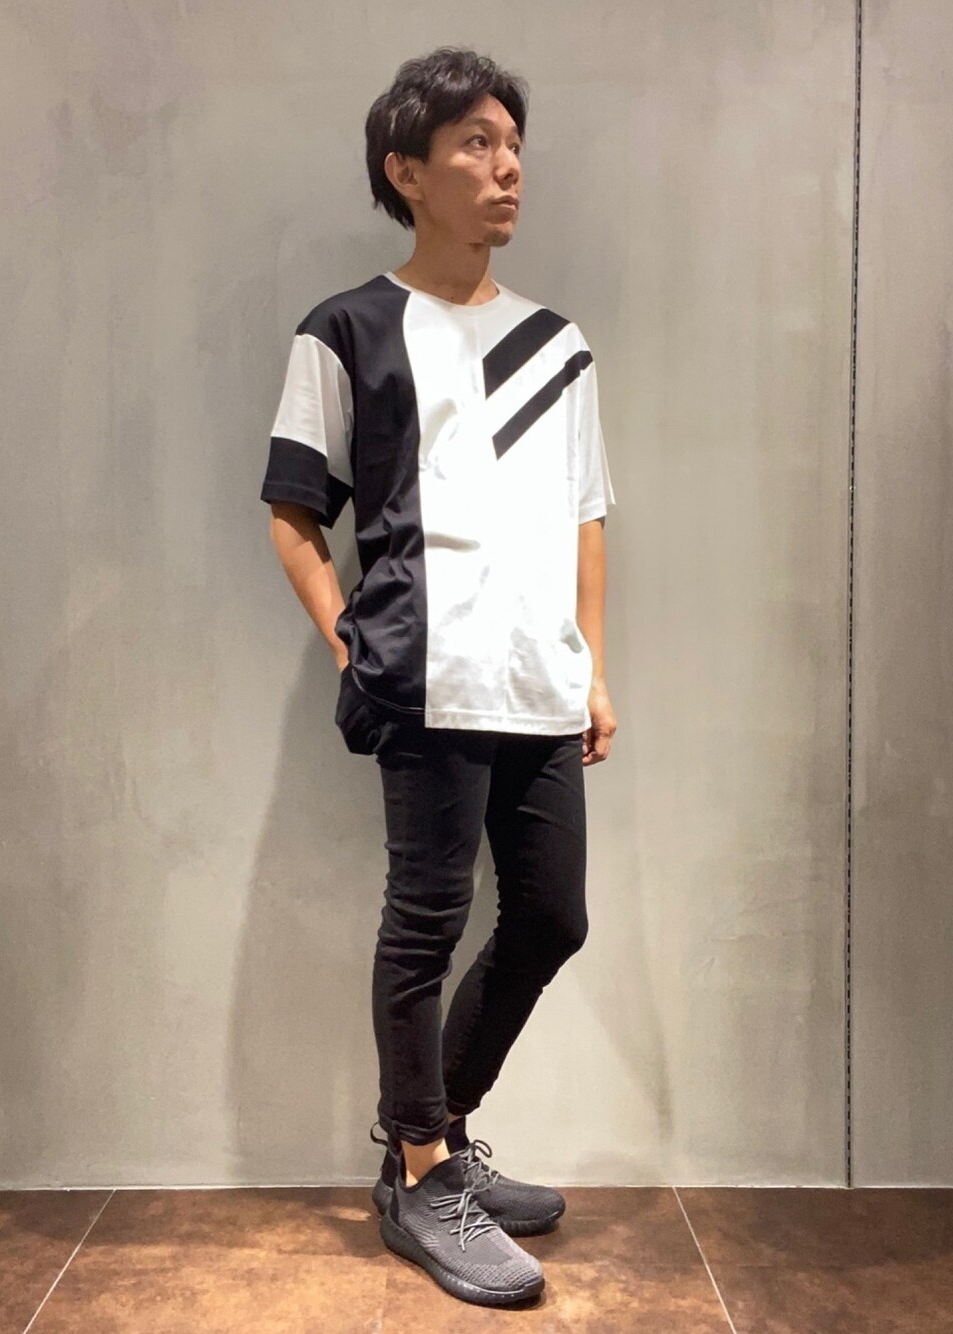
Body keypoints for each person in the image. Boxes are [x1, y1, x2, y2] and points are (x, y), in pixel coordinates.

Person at [261, 45, 617, 1309]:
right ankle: (422, 1171)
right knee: (424, 918)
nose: (506, 165)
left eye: (512, 142)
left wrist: (592, 668)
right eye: (474, 142)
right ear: (405, 172)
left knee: (551, 916)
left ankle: (433, 1138)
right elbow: (293, 509)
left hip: (537, 679)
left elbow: (584, 514)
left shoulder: (556, 344)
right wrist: (347, 636)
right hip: (423, 677)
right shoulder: (346, 329)